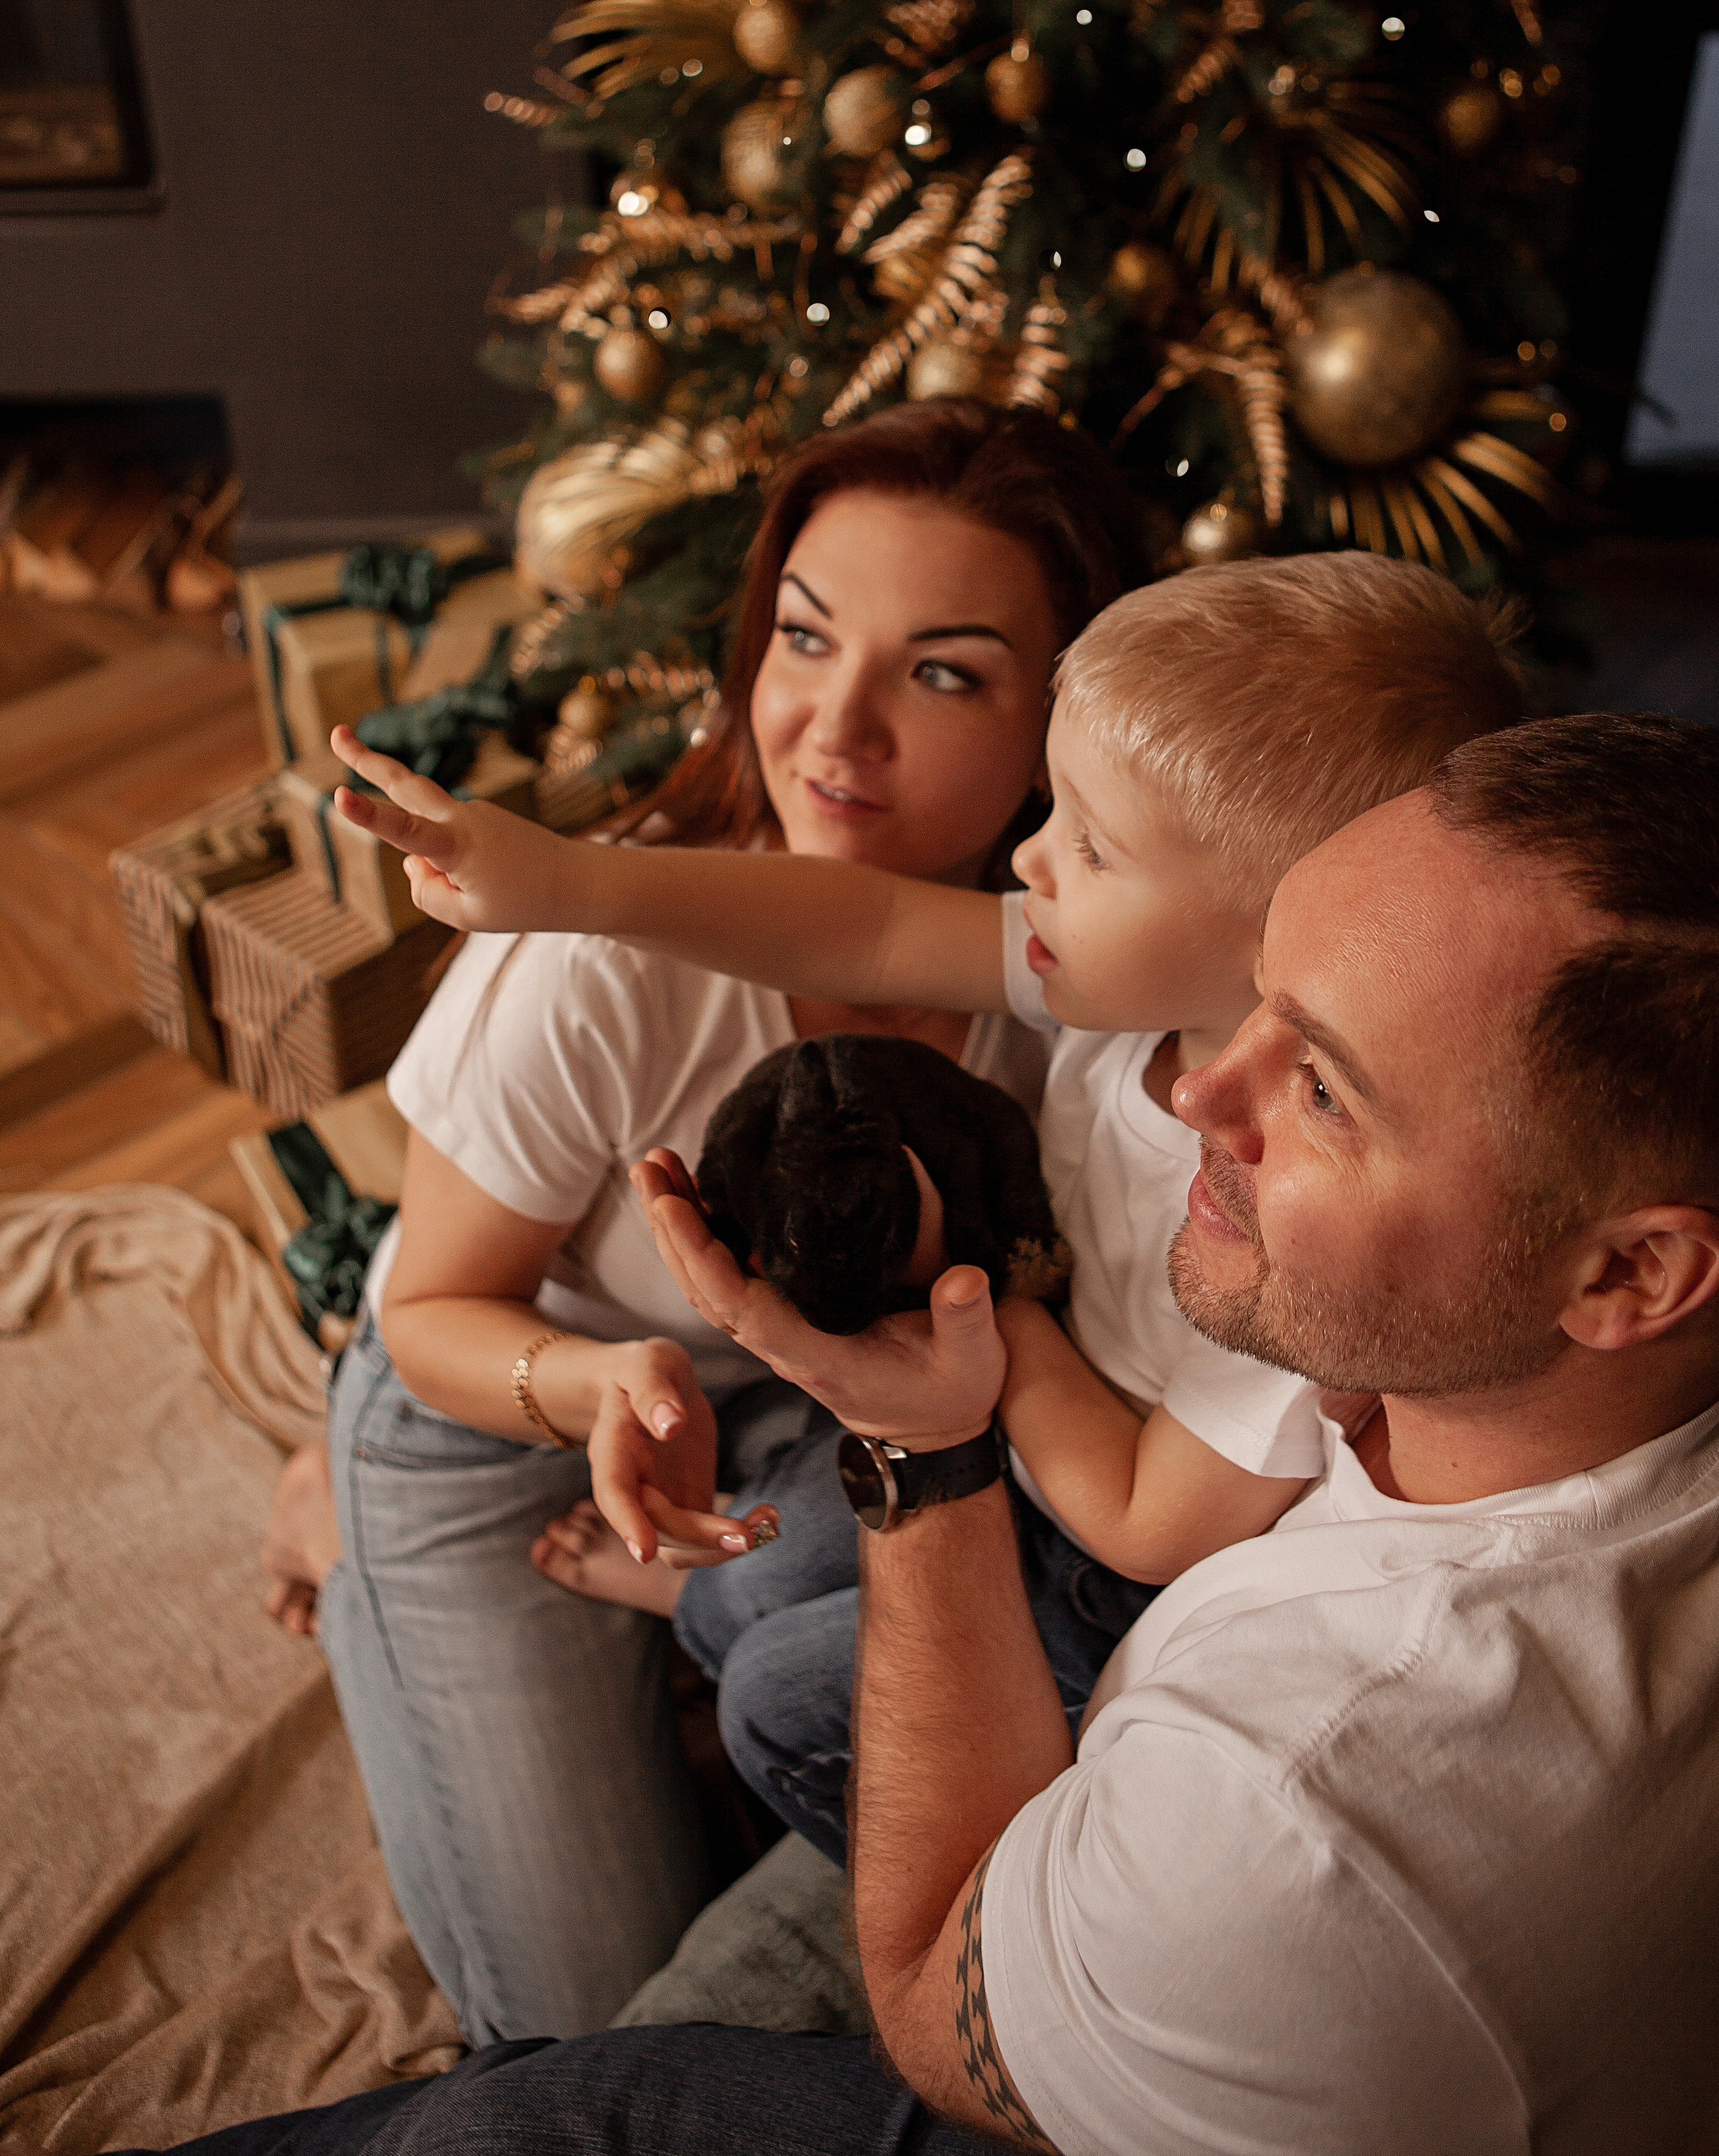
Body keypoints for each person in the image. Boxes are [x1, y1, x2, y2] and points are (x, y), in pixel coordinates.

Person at [138, 712, 1719, 2155]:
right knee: (747, 1734)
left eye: (1326, 1095)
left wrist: (921, 1452)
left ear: (1629, 1273)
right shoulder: (1697, 1318)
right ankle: (354, 1473)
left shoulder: (1299, 1822)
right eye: (1260, 1003)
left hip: (1159, 1950)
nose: (1196, 1093)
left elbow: (935, 2000)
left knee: (530, 2098)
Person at [331, 555, 1526, 1860]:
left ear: (1278, 938)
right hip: (1011, 1433)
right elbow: (868, 927)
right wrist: (569, 887)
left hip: (1105, 1555)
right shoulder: (1118, 981)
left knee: (778, 1698)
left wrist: (990, 1304)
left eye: (1090, 845)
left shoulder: (1302, 1212)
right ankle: (682, 1616)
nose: (1029, 858)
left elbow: (1147, 1524)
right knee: (753, 1589)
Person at [265, 398, 1148, 2044]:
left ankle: (644, 1625)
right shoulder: (597, 956)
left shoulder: (1075, 987)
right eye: (804, 640)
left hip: (817, 1413)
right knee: (591, 2031)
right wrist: (601, 1392)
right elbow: (439, 1311)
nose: (835, 727)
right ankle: (358, 1519)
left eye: (942, 672)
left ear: (1061, 719)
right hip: (508, 1412)